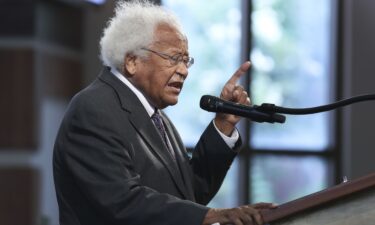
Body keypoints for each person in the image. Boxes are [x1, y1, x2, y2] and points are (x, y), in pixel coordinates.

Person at [53, 1, 276, 225]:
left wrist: (224, 125)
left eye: (186, 60)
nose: (184, 71)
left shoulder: (155, 115)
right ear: (132, 61)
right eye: (173, 59)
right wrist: (213, 215)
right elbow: (122, 202)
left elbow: (188, 193)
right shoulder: (93, 109)